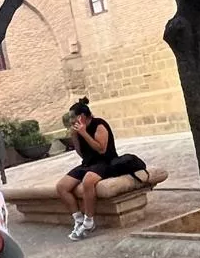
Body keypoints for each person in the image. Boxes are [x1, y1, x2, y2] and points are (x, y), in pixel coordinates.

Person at [53, 97, 146, 241]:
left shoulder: (99, 125)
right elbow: (81, 153)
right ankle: (78, 219)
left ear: (82, 116)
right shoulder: (78, 130)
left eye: (73, 117)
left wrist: (84, 133)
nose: (71, 120)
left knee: (88, 181)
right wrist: (75, 136)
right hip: (88, 163)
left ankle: (89, 221)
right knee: (61, 187)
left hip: (106, 162)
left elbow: (101, 149)